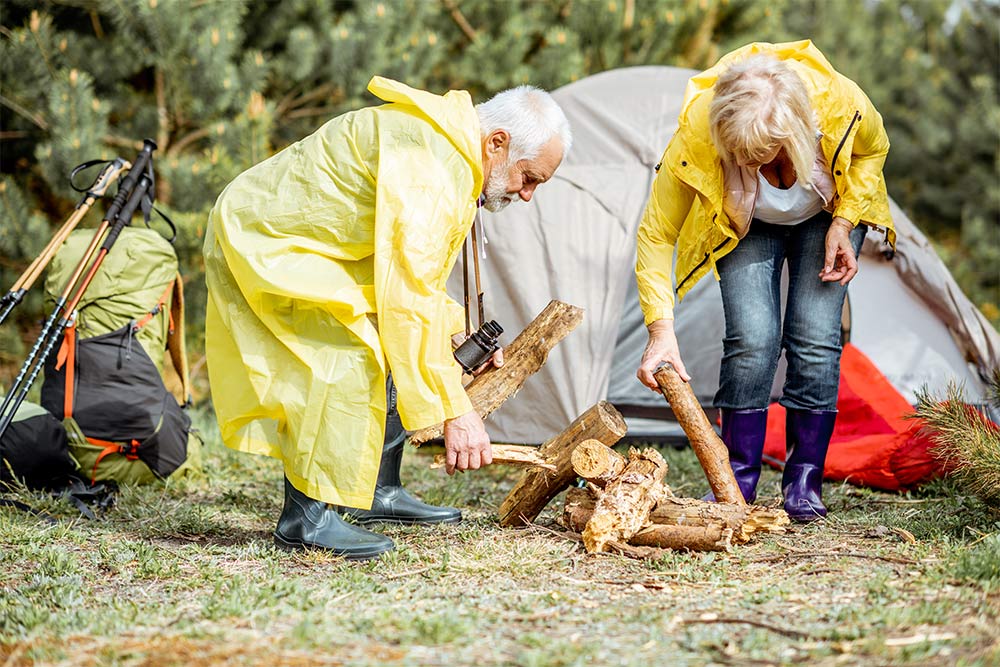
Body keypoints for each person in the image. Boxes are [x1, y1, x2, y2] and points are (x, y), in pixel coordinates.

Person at [204, 76, 571, 558]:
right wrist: (457, 412)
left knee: (401, 334)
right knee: (348, 348)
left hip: (304, 243)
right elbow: (407, 296)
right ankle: (306, 519)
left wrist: (453, 329)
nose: (527, 195)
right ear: (497, 143)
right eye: (530, 178)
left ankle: (375, 491)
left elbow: (411, 282)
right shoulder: (432, 167)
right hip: (264, 237)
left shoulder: (451, 153)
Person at [634, 40, 894, 522]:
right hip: (746, 224)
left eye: (769, 153)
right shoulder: (697, 133)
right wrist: (660, 330)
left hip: (829, 216)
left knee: (815, 338)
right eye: (744, 157)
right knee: (753, 339)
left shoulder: (840, 102)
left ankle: (804, 481)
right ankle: (737, 480)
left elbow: (873, 150)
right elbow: (656, 234)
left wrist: (846, 220)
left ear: (798, 127)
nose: (756, 165)